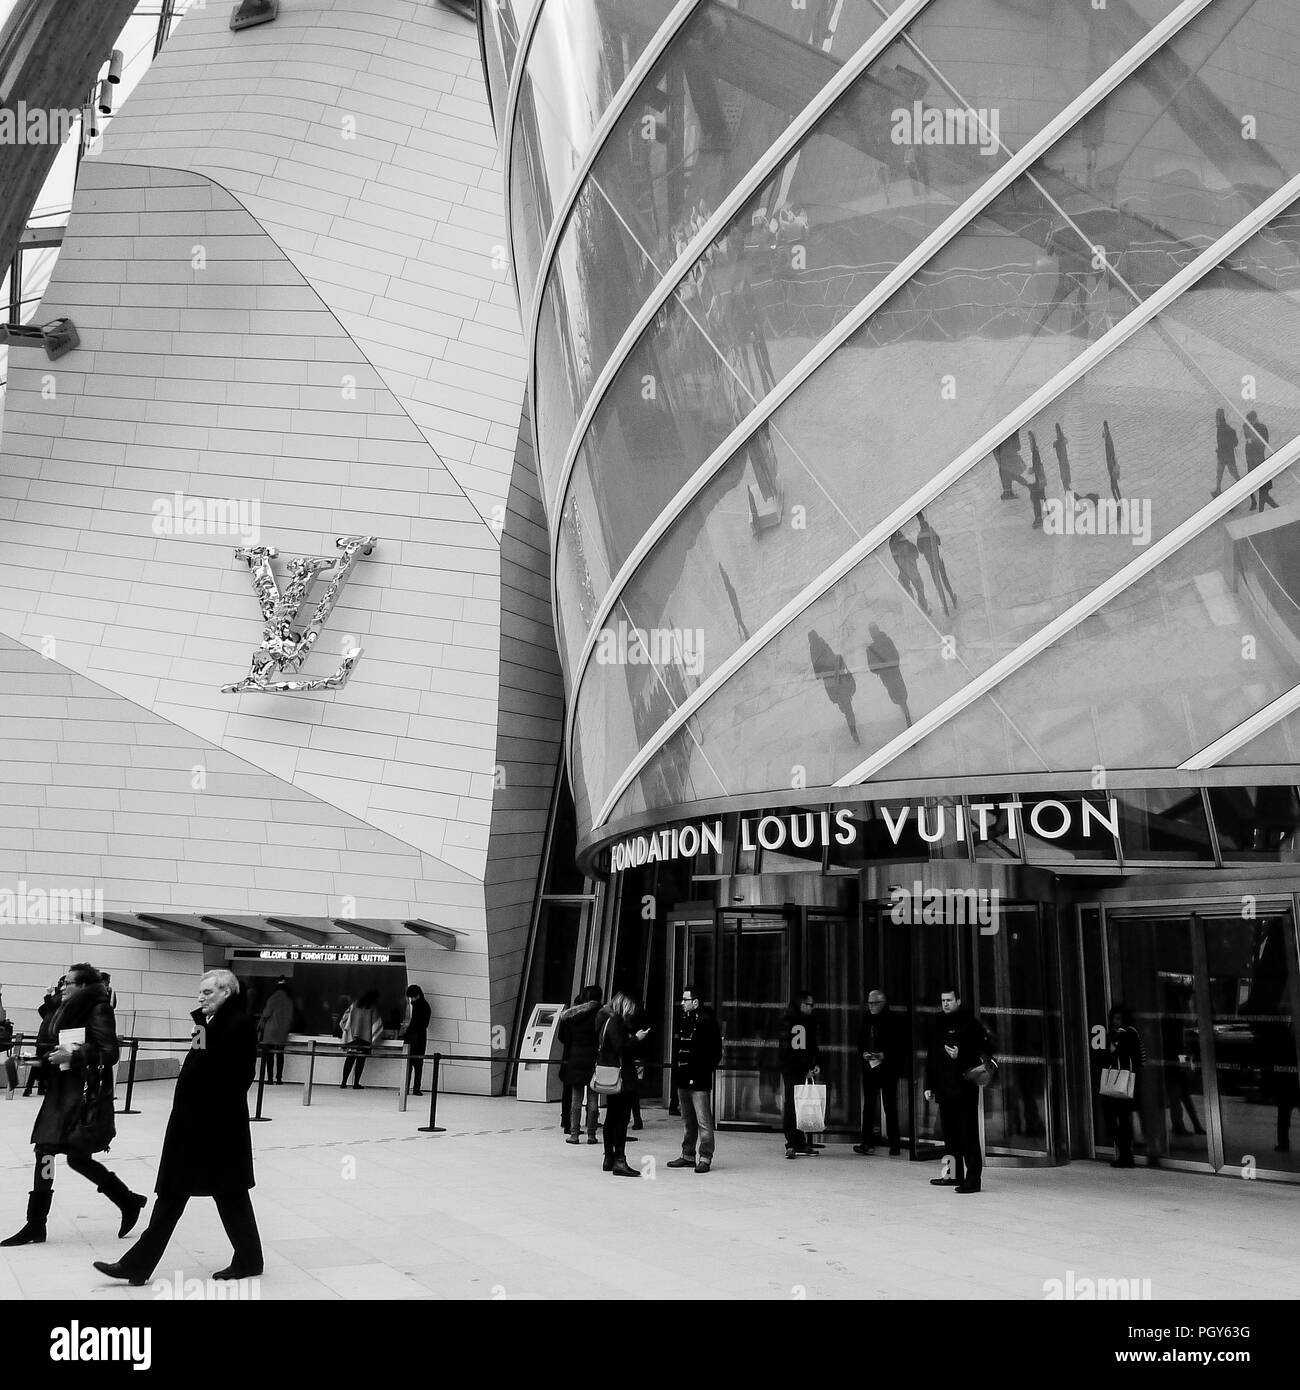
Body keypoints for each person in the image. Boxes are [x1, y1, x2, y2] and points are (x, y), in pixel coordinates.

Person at [94, 969, 263, 1285]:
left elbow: (238, 1077)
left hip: (214, 1129)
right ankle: (140, 1264)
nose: (201, 998)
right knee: (189, 1195)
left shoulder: (238, 1025)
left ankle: (248, 1259)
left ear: (227, 992)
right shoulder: (208, 1023)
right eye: (199, 993)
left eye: (207, 993)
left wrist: (204, 1108)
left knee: (223, 1194)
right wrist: (200, 1024)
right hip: (196, 1126)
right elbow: (196, 1061)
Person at [2, 965, 146, 1249]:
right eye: (63, 982)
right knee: (47, 1151)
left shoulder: (98, 1008)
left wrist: (77, 1053)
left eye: (68, 983)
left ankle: (127, 1200)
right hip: (60, 1091)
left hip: (81, 1094)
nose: (62, 987)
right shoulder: (59, 1008)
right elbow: (53, 1050)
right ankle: (37, 1223)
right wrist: (33, 1061)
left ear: (83, 986)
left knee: (73, 1156)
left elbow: (110, 1053)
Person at [924, 986, 992, 1194]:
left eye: (949, 1000)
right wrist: (928, 1085)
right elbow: (932, 1056)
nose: (946, 1004)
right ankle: (952, 1175)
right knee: (950, 1136)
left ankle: (973, 1180)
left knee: (968, 1135)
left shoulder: (970, 1024)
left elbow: (983, 1054)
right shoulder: (938, 1023)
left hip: (964, 1087)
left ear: (959, 1001)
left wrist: (960, 1056)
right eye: (943, 1000)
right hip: (945, 1088)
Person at [666, 988, 723, 1173]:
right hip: (683, 1077)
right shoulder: (684, 1020)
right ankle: (688, 1154)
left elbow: (715, 1051)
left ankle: (705, 1156)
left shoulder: (706, 1021)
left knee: (703, 1120)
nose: (682, 1003)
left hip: (698, 1078)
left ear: (696, 1002)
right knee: (687, 1119)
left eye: (685, 999)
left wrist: (704, 1070)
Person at [593, 992, 648, 1178]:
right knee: (621, 1119)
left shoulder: (605, 1021)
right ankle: (619, 1160)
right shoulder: (616, 1023)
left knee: (611, 1117)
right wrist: (637, 1039)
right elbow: (621, 1049)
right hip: (621, 1076)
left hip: (609, 1073)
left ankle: (609, 1158)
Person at [854, 989, 903, 1156]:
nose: (871, 1006)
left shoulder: (893, 1020)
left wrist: (885, 1055)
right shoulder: (866, 1019)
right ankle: (866, 1141)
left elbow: (900, 1044)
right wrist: (864, 1053)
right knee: (868, 1105)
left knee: (890, 1105)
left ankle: (894, 1143)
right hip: (870, 1066)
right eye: (869, 1003)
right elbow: (860, 1041)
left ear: (883, 1003)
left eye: (875, 1003)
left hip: (888, 1068)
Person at [778, 991, 821, 1158]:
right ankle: (795, 1141)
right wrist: (808, 1067)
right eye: (809, 1005)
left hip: (794, 1068)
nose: (812, 1008)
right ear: (802, 1005)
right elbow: (799, 1050)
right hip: (795, 1069)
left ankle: (796, 1141)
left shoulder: (796, 1021)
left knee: (794, 1104)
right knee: (794, 1106)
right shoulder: (799, 1023)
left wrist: (814, 1064)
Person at [557, 986, 602, 1145]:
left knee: (576, 1099)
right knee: (593, 1099)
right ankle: (591, 1134)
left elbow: (563, 1037)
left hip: (575, 1058)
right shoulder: (601, 1015)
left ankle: (574, 1134)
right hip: (594, 1059)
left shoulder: (573, 1015)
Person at [1102, 1005, 1144, 1168]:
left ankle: (1126, 1155)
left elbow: (1113, 1052)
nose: (1114, 1022)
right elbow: (1140, 1059)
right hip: (1126, 1081)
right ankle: (1126, 1154)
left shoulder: (1124, 1034)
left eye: (1118, 1019)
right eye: (1114, 1018)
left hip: (1120, 1081)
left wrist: (1113, 1047)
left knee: (1115, 1119)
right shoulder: (1133, 1033)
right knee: (1122, 1119)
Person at [808, 628, 860, 744]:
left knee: (845, 707)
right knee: (847, 707)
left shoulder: (814, 649)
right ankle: (853, 728)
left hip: (832, 684)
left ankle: (853, 729)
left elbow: (818, 671)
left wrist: (823, 673)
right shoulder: (823, 644)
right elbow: (832, 658)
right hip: (839, 680)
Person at [866, 622, 912, 728]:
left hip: (887, 677)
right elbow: (896, 656)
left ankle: (908, 720)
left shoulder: (870, 649)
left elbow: (872, 668)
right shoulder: (887, 641)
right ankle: (907, 716)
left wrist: (882, 670)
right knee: (901, 697)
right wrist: (891, 666)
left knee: (898, 697)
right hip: (894, 674)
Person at [22, 978, 62, 1097]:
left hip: (43, 1035)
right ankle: (40, 1087)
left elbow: (42, 1009)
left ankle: (31, 1087)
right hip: (50, 1037)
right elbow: (49, 1007)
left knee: (38, 1061)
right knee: (46, 1061)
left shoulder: (55, 997)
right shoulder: (60, 998)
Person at [339, 989, 383, 1089]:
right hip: (365, 1039)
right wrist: (377, 1039)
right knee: (360, 1061)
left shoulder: (354, 1005)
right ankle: (356, 1083)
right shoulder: (372, 1008)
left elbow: (344, 1020)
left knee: (349, 1060)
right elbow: (377, 1025)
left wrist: (347, 1031)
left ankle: (343, 1082)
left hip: (352, 1038)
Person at [915, 511, 956, 615]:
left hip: (931, 564)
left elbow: (920, 551)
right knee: (945, 581)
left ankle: (946, 608)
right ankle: (952, 597)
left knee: (939, 586)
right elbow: (939, 542)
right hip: (938, 560)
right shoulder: (931, 531)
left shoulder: (919, 536)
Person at [257, 977, 293, 1086]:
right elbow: (291, 1017)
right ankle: (279, 1078)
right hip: (283, 1031)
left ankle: (270, 1078)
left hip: (270, 1031)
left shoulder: (272, 998)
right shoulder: (289, 1000)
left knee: (269, 1055)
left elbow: (267, 1013)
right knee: (280, 1054)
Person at [1244, 410, 1277, 511]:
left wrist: (1251, 441)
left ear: (1254, 419)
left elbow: (1263, 444)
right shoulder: (1248, 426)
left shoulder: (1261, 428)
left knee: (1262, 489)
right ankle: (1259, 506)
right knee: (1256, 486)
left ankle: (1267, 508)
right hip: (1252, 459)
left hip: (1257, 459)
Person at [403, 984, 432, 1095]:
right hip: (420, 1038)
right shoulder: (424, 1006)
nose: (411, 999)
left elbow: (415, 1024)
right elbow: (424, 1024)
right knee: (418, 1064)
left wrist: (408, 1029)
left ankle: (405, 1088)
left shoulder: (418, 1006)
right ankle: (416, 1088)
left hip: (413, 1038)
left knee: (408, 1064)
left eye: (412, 997)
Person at [1212, 407, 1239, 497]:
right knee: (1220, 474)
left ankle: (1241, 486)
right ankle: (1218, 489)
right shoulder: (1228, 429)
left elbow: (1225, 444)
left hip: (1225, 456)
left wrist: (1219, 450)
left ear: (1218, 419)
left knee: (1231, 473)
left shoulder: (1222, 430)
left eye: (1216, 418)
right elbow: (1235, 443)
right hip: (1227, 456)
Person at [1102, 420, 1121, 502]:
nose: (1104, 430)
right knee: (1114, 487)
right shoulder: (1107, 437)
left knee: (1113, 487)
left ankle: (1119, 504)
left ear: (1108, 428)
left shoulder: (1109, 440)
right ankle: (1120, 502)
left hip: (1111, 467)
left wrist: (1114, 466)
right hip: (1111, 466)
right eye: (1104, 428)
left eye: (1105, 428)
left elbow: (1112, 453)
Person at [1053, 422, 1072, 492]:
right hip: (1062, 462)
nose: (1057, 434)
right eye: (1056, 432)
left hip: (1063, 462)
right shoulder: (1058, 441)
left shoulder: (1061, 441)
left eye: (1058, 432)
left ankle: (1067, 488)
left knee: (1065, 475)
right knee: (1065, 476)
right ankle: (1067, 488)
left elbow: (1066, 441)